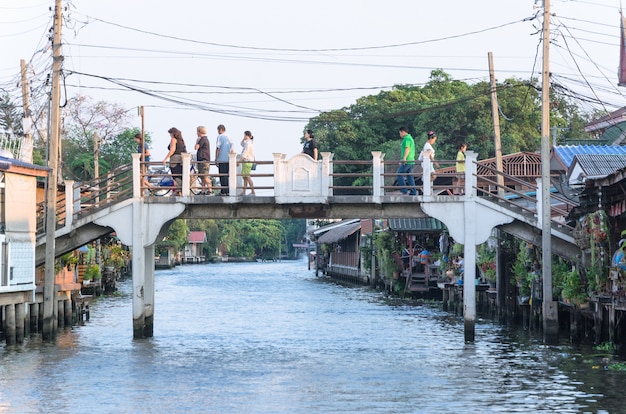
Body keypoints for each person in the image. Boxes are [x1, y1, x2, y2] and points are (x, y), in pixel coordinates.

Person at [162, 127, 187, 196]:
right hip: (182, 158)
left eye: (170, 134)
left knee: (175, 175)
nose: (170, 135)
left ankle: (179, 191)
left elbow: (172, 150)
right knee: (181, 174)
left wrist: (165, 159)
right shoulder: (182, 140)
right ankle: (183, 191)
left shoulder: (173, 140)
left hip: (175, 158)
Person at [396, 126, 416, 195]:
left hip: (407, 160)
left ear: (403, 132)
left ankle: (404, 190)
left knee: (399, 173)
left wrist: (404, 158)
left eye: (400, 133)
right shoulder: (410, 138)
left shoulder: (406, 138)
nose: (400, 135)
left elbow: (407, 149)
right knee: (410, 176)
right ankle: (413, 192)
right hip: (411, 160)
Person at [215, 124, 234, 195]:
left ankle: (223, 191)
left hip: (222, 159)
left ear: (220, 130)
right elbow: (232, 149)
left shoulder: (220, 137)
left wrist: (216, 159)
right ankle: (228, 191)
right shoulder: (229, 137)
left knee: (222, 175)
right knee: (227, 175)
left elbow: (218, 148)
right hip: (229, 159)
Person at [195, 126, 212, 195]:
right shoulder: (205, 139)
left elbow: (196, 147)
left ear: (199, 132)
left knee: (204, 176)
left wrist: (197, 141)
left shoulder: (203, 139)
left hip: (203, 160)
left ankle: (210, 189)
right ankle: (203, 190)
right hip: (203, 159)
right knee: (202, 177)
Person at [240, 130, 255, 196]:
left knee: (247, 177)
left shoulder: (248, 143)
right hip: (247, 161)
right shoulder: (248, 142)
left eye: (244, 135)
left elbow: (245, 152)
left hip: (247, 161)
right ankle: (244, 192)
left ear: (247, 135)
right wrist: (243, 139)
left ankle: (253, 191)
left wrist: (240, 160)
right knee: (245, 177)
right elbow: (241, 144)